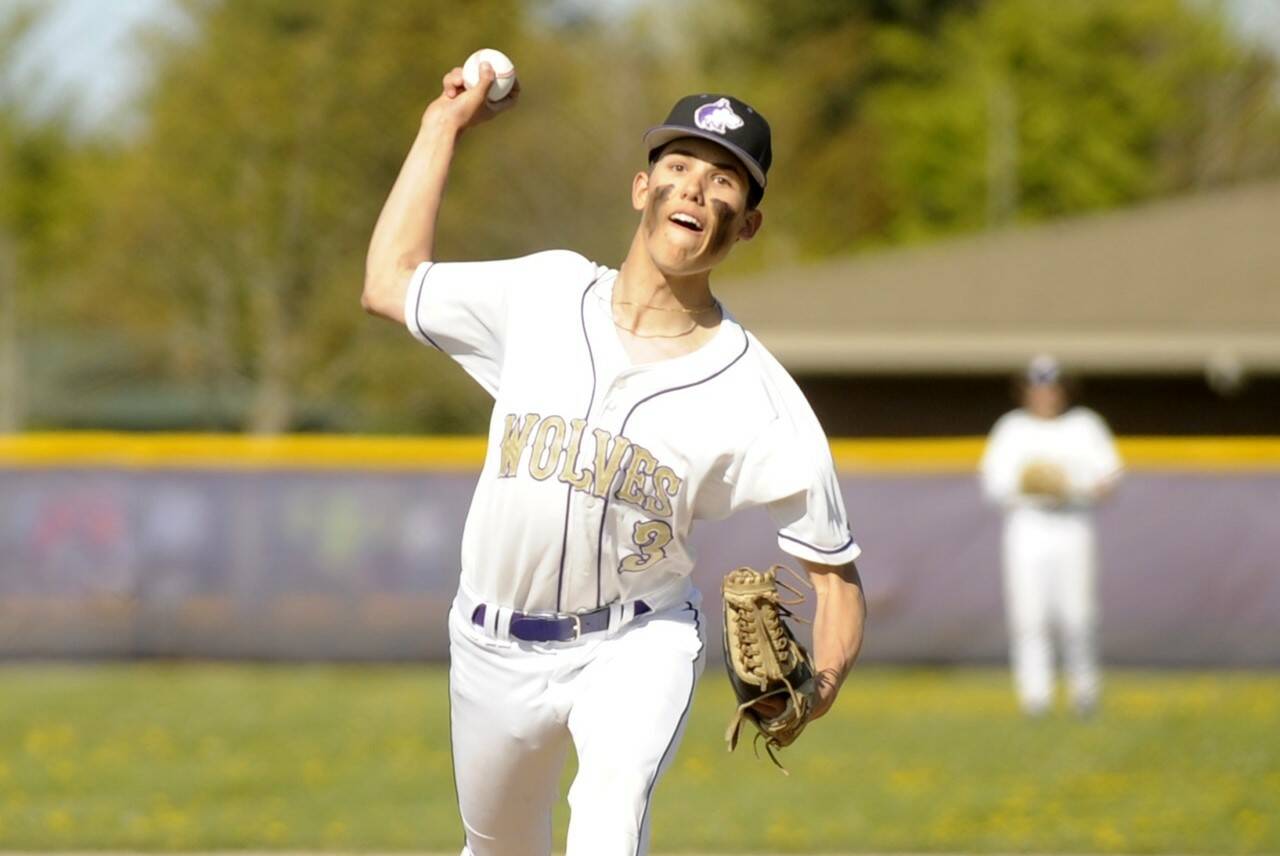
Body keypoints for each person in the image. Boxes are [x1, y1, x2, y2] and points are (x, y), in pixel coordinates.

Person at [361, 62, 867, 856]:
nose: (697, 189)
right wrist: (442, 126)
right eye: (680, 166)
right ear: (642, 188)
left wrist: (822, 689)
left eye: (726, 180)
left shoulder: (760, 396)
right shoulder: (544, 294)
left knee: (607, 820)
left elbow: (836, 578)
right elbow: (390, 283)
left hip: (638, 641)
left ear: (748, 224)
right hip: (492, 640)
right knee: (497, 847)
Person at [979, 355, 1122, 717]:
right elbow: (994, 485)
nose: (1045, 395)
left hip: (1072, 523)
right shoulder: (1011, 428)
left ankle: (1085, 696)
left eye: (1052, 387)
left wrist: (1069, 484)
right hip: (1028, 526)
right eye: (1038, 387)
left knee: (1078, 615)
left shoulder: (1085, 425)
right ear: (1026, 391)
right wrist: (1029, 483)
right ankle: (1035, 698)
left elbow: (1109, 480)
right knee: (1029, 616)